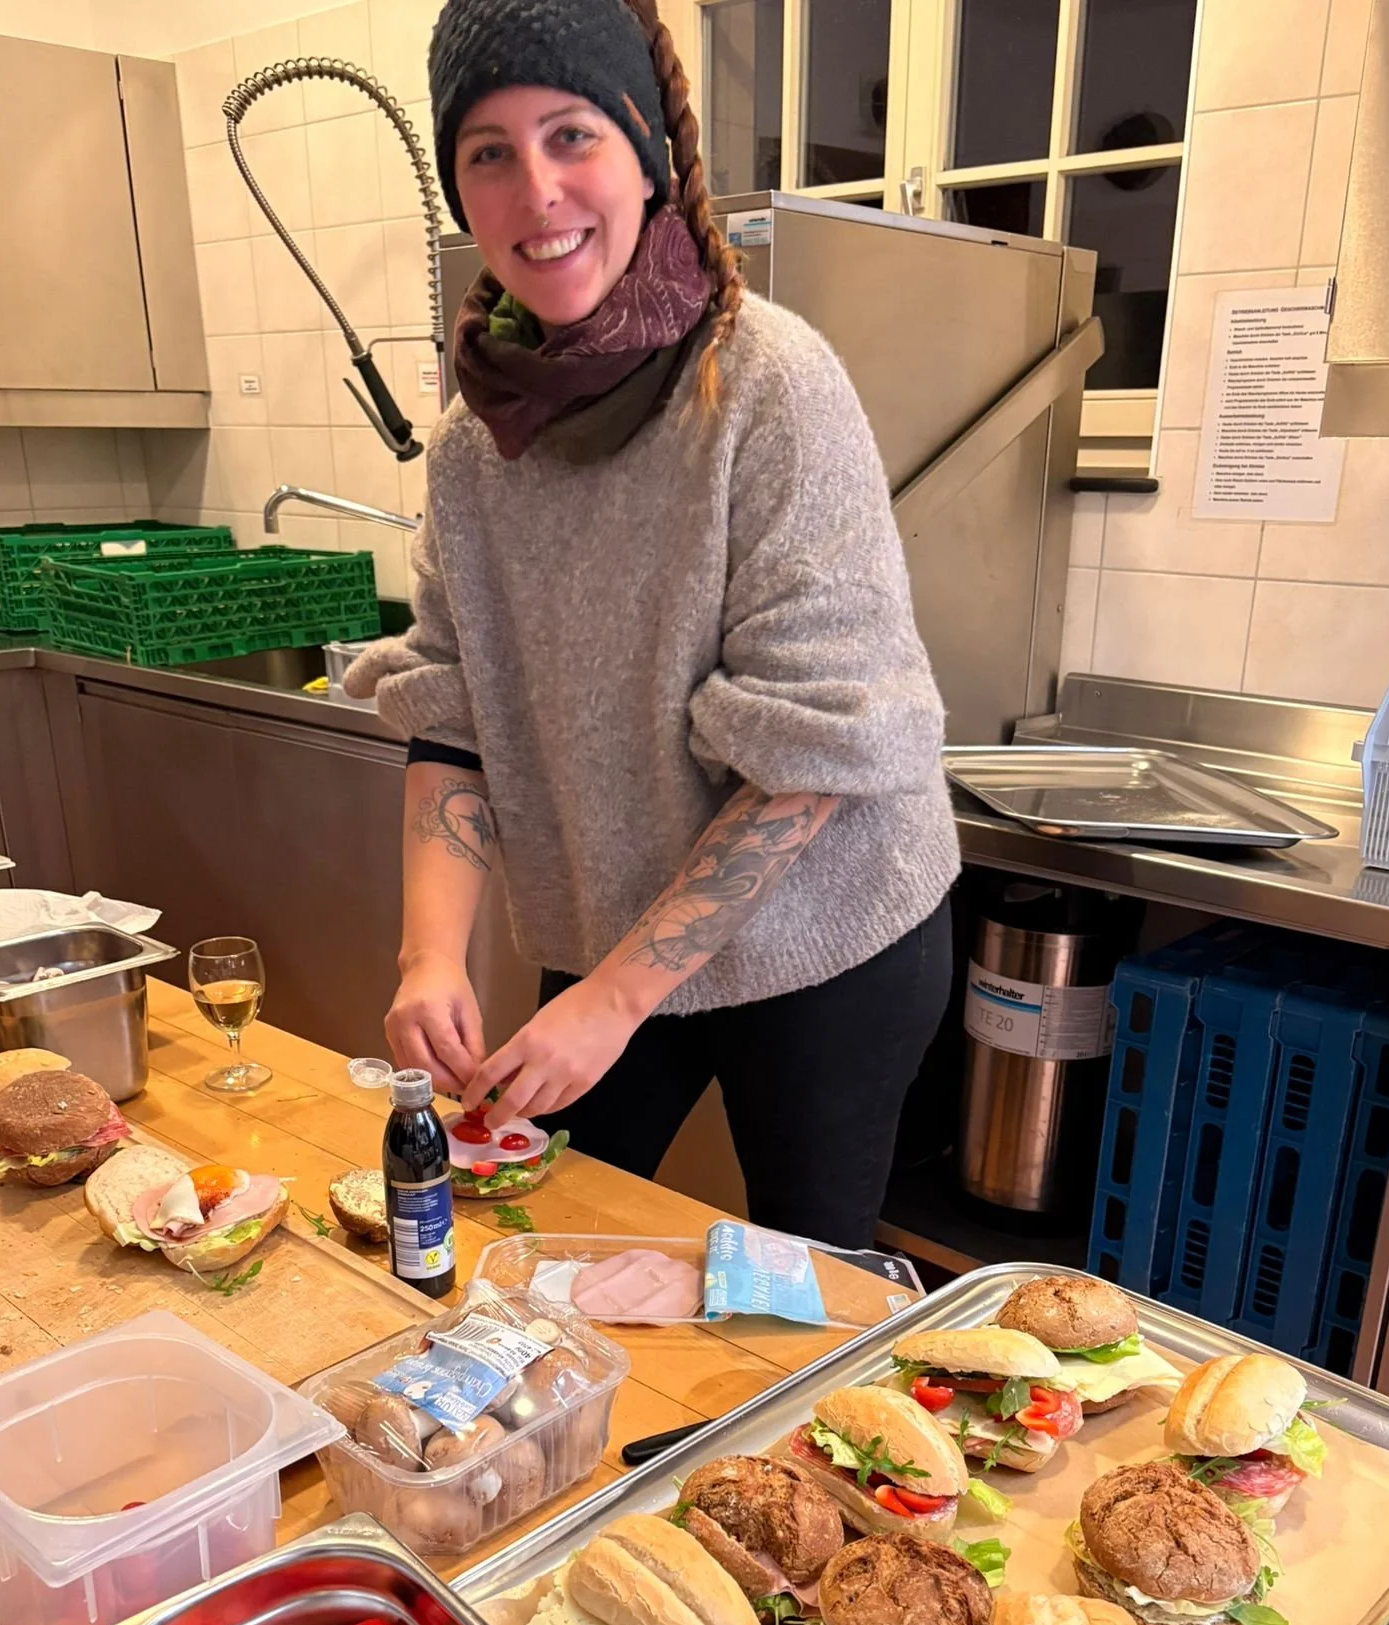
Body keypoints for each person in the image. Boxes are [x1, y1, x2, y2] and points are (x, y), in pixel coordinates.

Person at [345, 0, 960, 1250]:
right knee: (546, 1233)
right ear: (461, 192)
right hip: (612, 924)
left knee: (805, 1276)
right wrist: (429, 958)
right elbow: (450, 704)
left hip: (827, 934)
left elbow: (821, 746)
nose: (537, 190)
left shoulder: (768, 383)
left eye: (571, 135)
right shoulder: (477, 443)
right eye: (490, 153)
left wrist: (615, 1001)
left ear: (647, 153)